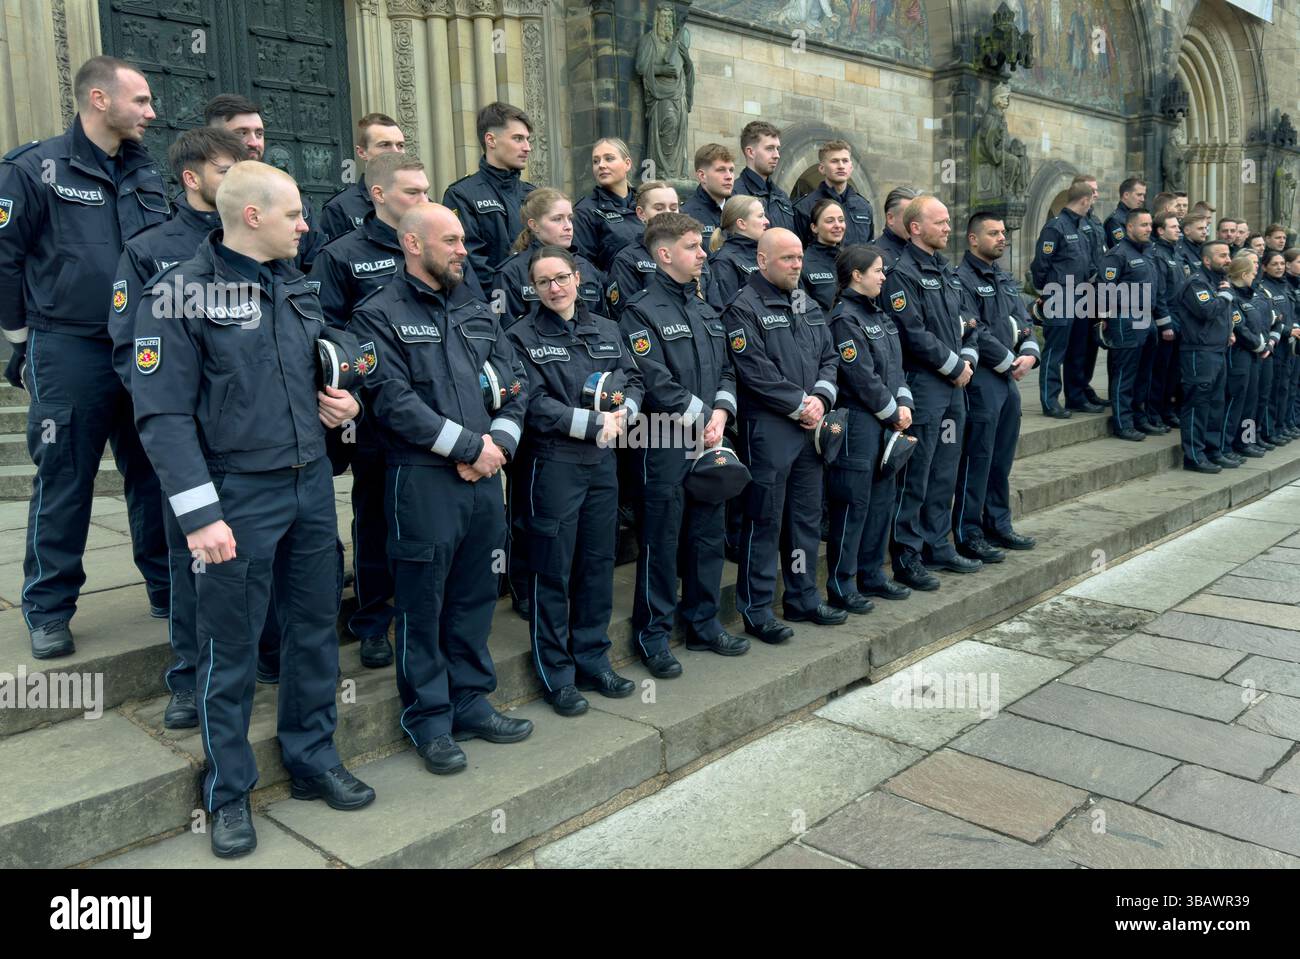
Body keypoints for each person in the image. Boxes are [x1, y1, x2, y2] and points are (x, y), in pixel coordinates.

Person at [131, 161, 376, 858]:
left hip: (306, 487)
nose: (309, 224)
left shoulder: (295, 285)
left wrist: (347, 390)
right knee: (229, 650)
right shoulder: (177, 294)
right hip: (233, 496)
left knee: (311, 631)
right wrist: (200, 515)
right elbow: (163, 415)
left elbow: (344, 347)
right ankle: (229, 792)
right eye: (297, 213)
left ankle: (312, 756)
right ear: (252, 217)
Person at [349, 203, 535, 774]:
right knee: (422, 605)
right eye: (451, 241)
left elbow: (515, 383)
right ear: (412, 244)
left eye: (461, 240)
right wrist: (468, 448)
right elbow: (393, 401)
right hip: (423, 480)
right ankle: (428, 720)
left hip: (484, 479)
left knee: (475, 597)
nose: (462, 250)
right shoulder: (378, 314)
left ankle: (471, 700)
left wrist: (496, 446)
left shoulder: (476, 307)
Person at [0, 56, 172, 659]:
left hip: (142, 347)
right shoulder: (33, 169)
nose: (152, 113)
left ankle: (167, 588)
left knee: (154, 472)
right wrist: (21, 343)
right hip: (69, 345)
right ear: (99, 100)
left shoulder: (148, 173)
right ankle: (48, 608)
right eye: (142, 101)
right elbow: (5, 258)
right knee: (65, 477)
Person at [106, 125, 243, 726]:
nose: (234, 180)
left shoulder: (260, 245)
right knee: (194, 566)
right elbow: (128, 350)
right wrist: (173, 420)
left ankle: (263, 656)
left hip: (256, 442)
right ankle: (189, 679)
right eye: (222, 170)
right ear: (192, 178)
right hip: (191, 443)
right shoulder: (149, 249)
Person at [309, 152, 435, 672]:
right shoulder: (341, 256)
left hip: (433, 410)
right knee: (378, 517)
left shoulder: (436, 245)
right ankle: (373, 619)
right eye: (413, 193)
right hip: (376, 413)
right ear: (378, 195)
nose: (424, 201)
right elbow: (328, 332)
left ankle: (422, 613)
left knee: (427, 519)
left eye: (427, 191)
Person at [507, 246, 644, 715]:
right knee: (553, 568)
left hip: (602, 463)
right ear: (533, 287)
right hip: (554, 463)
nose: (554, 288)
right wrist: (591, 424)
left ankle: (593, 658)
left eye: (561, 277)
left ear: (577, 276)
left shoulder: (605, 328)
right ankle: (557, 675)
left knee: (596, 562)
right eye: (543, 282)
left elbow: (633, 377)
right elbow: (532, 402)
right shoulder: (520, 336)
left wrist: (627, 411)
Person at [619, 212, 749, 677]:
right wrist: (701, 417)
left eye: (701, 246)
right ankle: (652, 634)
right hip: (663, 440)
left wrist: (720, 413)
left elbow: (728, 370)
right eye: (693, 247)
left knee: (708, 534)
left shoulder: (705, 307)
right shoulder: (639, 311)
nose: (702, 254)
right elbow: (652, 379)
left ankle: (703, 621)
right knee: (663, 538)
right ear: (665, 254)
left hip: (709, 436)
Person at [726, 228, 845, 642]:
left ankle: (802, 596)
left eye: (799, 258)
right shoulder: (744, 308)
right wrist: (800, 404)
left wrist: (821, 399)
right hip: (771, 429)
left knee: (804, 520)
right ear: (762, 261)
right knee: (765, 520)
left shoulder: (806, 302)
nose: (797, 265)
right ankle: (756, 609)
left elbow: (830, 357)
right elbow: (754, 370)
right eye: (787, 258)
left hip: (811, 430)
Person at [884, 196, 982, 591]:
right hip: (926, 387)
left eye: (947, 221)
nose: (947, 228)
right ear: (915, 228)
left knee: (945, 469)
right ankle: (907, 553)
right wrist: (954, 366)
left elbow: (967, 322)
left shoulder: (945, 270)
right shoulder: (900, 274)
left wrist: (968, 358)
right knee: (916, 474)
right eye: (939, 222)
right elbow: (913, 333)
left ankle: (937, 542)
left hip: (954, 386)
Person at [824, 244, 913, 609]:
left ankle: (872, 573)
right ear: (856, 275)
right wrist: (893, 411)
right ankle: (843, 584)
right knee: (854, 503)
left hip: (887, 419)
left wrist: (904, 402)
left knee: (881, 500)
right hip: (860, 422)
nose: (883, 276)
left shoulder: (880, 314)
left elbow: (896, 367)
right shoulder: (845, 318)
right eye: (877, 270)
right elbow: (860, 377)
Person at [954, 212, 1039, 563]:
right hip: (984, 378)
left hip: (1008, 378)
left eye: (1003, 232)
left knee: (1001, 458)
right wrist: (1007, 359)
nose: (1002, 238)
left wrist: (1030, 352)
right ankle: (969, 531)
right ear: (973, 239)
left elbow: (1023, 321)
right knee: (978, 458)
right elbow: (974, 329)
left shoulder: (1004, 278)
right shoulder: (960, 280)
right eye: (993, 233)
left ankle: (998, 523)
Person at [204, 93, 326, 269]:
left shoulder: (297, 205)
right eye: (241, 133)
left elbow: (317, 268)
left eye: (259, 133)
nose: (254, 142)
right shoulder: (197, 205)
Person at [442, 101, 536, 299]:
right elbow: (469, 260)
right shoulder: (462, 194)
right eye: (518, 139)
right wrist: (499, 302)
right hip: (491, 303)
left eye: (528, 139)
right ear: (491, 140)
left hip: (539, 300)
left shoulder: (533, 194)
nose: (527, 147)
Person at [1029, 180, 1096, 418]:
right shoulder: (1055, 227)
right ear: (1085, 200)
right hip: (1059, 296)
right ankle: (1050, 401)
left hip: (1080, 297)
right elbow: (1040, 265)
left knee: (1077, 350)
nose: (1092, 204)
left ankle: (1075, 397)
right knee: (1055, 351)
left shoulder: (1079, 228)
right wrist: (1045, 292)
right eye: (1092, 199)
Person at [491, 187, 605, 325]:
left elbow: (602, 324)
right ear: (534, 225)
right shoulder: (509, 273)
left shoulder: (586, 268)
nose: (568, 226)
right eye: (557, 219)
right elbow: (501, 330)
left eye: (570, 218)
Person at [1097, 208, 1159, 441]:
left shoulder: (1148, 253)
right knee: (1125, 375)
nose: (1148, 229)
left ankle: (1139, 418)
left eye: (1150, 225)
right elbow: (1105, 290)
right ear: (1129, 227)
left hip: (1148, 319)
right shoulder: (1118, 255)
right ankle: (1123, 423)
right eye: (1143, 225)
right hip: (1126, 320)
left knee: (1144, 374)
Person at [1178, 240, 1235, 472]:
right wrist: (1225, 297)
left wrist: (1228, 332)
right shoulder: (1197, 283)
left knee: (1215, 405)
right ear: (1207, 260)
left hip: (1217, 350)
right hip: (1199, 353)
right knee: (1197, 405)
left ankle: (1213, 450)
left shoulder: (1221, 283)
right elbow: (1207, 310)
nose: (1228, 260)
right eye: (1222, 256)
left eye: (1228, 255)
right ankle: (1194, 456)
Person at [318, 113, 405, 243]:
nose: (396, 152)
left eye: (400, 145)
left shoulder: (421, 201)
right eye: (385, 145)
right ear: (362, 152)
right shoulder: (339, 208)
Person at [604, 180, 681, 319]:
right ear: (641, 213)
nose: (668, 214)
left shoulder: (694, 254)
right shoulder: (627, 260)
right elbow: (627, 316)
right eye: (659, 208)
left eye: (674, 208)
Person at [1221, 253, 1271, 460]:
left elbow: (1259, 324)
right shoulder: (1232, 295)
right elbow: (1239, 327)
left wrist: (1264, 343)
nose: (1254, 277)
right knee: (1236, 402)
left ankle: (1246, 441)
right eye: (1252, 273)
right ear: (1243, 274)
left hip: (1253, 356)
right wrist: (1259, 345)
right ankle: (1226, 445)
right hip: (1240, 355)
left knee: (1251, 401)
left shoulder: (1251, 295)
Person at [1145, 209, 1189, 434]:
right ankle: (1153, 413)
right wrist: (1165, 324)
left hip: (1181, 319)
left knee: (1173, 371)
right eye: (1174, 227)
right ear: (1160, 230)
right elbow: (1159, 293)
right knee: (1159, 372)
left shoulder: (1176, 254)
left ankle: (1166, 410)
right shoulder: (1158, 254)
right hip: (1167, 321)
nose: (1178, 230)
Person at [572, 137, 641, 272]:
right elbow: (582, 265)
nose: (601, 165)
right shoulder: (585, 211)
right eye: (596, 161)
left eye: (609, 158)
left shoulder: (647, 203)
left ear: (627, 164)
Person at [793, 140, 874, 246]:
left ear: (851, 167)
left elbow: (869, 248)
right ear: (822, 168)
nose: (841, 166)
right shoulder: (804, 207)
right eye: (834, 161)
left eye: (845, 161)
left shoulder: (864, 206)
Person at [1256, 249, 1293, 449]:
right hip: (1273, 346)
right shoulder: (1265, 288)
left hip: (1287, 346)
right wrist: (1288, 330)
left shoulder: (1283, 286)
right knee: (1270, 392)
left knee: (1284, 388)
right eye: (1275, 264)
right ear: (1264, 267)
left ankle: (1279, 426)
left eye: (1281, 264)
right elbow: (1273, 319)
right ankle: (1268, 430)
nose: (1279, 267)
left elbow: (1286, 316)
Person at [708, 194, 768, 308]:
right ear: (741, 223)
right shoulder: (723, 262)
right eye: (761, 216)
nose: (767, 221)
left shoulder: (764, 253)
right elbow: (728, 311)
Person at [737, 120, 796, 232]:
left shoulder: (782, 197)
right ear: (750, 152)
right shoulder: (735, 195)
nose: (777, 155)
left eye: (777, 149)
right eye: (769, 148)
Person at [679, 142, 735, 248]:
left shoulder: (740, 211)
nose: (729, 176)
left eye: (731, 170)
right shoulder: (686, 216)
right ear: (702, 176)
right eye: (721, 170)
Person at [799, 199, 845, 312]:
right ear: (814, 227)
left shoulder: (850, 260)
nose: (838, 225)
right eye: (830, 221)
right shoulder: (801, 264)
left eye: (841, 220)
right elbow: (798, 309)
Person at [877, 187, 918, 271]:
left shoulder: (924, 251)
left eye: (917, 216)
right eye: (909, 216)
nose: (915, 223)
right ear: (890, 218)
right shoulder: (873, 255)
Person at [1103, 177, 1147, 249]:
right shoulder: (1115, 220)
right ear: (1126, 195)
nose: (1143, 199)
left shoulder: (1136, 217)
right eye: (1139, 195)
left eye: (1143, 195)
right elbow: (1123, 250)